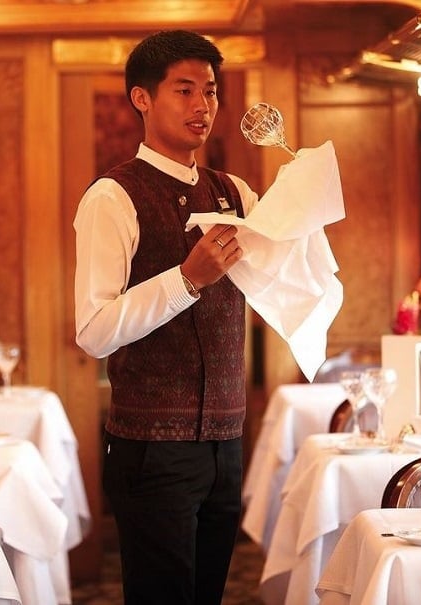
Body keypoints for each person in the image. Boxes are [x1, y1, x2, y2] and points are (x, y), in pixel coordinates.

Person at [73, 30, 260, 604]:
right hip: (151, 447)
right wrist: (185, 280)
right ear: (142, 99)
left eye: (209, 91)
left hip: (228, 439)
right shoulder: (112, 196)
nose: (202, 106)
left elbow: (285, 284)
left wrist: (303, 204)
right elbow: (93, 331)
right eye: (184, 90)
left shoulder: (239, 194)